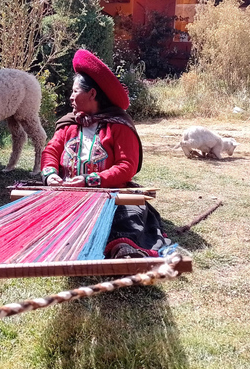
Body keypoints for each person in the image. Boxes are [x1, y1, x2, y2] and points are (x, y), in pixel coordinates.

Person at [41, 49, 171, 259]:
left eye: (75, 91)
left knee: (128, 213)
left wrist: (90, 180)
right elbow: (51, 151)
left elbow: (126, 165)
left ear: (92, 93)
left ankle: (124, 249)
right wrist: (50, 175)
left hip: (109, 195)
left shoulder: (119, 127)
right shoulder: (68, 125)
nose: (71, 97)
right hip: (66, 194)